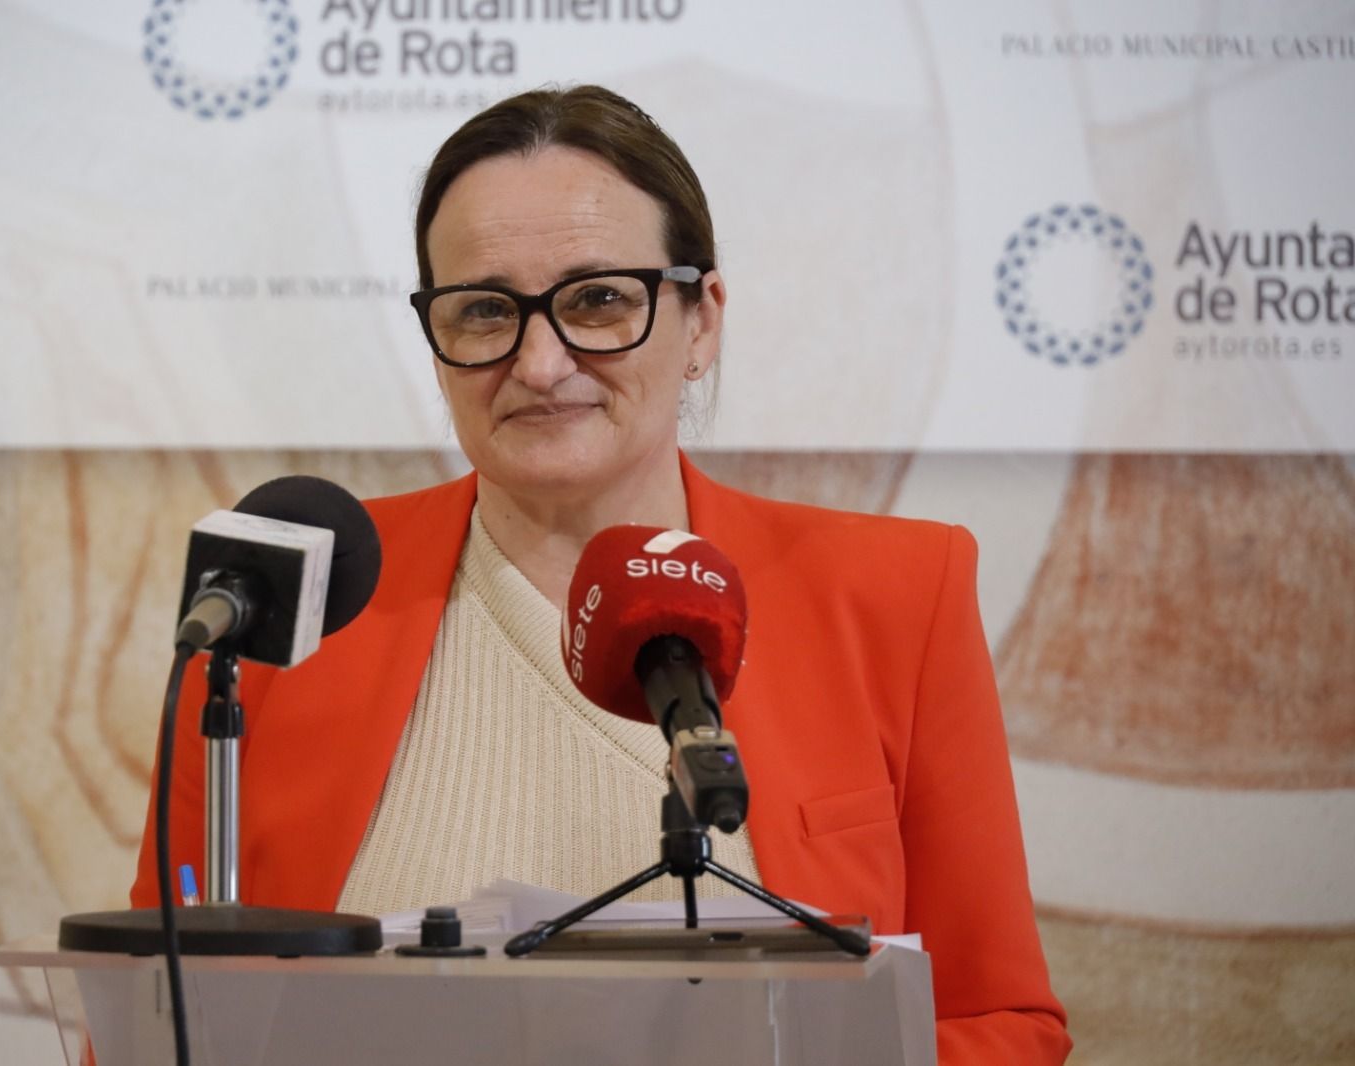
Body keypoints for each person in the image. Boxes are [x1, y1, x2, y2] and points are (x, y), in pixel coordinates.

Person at [133, 85, 1070, 1063]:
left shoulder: (893, 593)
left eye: (597, 300)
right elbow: (146, 1022)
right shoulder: (286, 589)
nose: (540, 363)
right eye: (485, 310)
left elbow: (1000, 1026)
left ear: (700, 320)